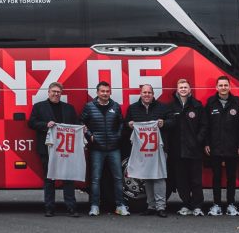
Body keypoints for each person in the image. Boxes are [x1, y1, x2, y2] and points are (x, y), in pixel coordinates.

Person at [27, 82, 80, 217]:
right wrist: (46, 124)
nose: (56, 94)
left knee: (68, 179)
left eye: (58, 92)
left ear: (61, 93)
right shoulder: (39, 107)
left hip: (65, 149)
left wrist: (82, 128)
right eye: (54, 91)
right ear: (48, 92)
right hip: (47, 148)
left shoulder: (69, 108)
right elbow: (31, 123)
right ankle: (49, 208)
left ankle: (71, 207)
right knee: (49, 179)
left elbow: (76, 124)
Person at [80, 81, 129, 216]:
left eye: (107, 91)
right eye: (102, 91)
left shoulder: (115, 106)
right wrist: (89, 135)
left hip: (114, 148)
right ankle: (95, 206)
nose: (105, 93)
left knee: (118, 178)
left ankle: (120, 205)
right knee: (95, 178)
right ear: (97, 92)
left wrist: (117, 136)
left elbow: (121, 123)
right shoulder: (89, 107)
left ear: (110, 92)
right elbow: (81, 122)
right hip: (97, 148)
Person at [124, 84, 171, 218]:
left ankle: (161, 207)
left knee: (159, 177)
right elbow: (125, 123)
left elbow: (173, 121)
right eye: (144, 92)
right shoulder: (133, 108)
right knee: (147, 178)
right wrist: (129, 125)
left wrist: (164, 123)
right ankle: (151, 206)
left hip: (160, 149)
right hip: (142, 151)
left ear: (153, 94)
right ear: (140, 93)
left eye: (149, 92)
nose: (147, 95)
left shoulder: (162, 107)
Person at [203, 76, 239, 216]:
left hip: (232, 148)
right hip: (215, 148)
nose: (223, 88)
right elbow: (205, 126)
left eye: (225, 85)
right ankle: (216, 205)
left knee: (231, 178)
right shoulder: (210, 103)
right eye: (220, 85)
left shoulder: (236, 104)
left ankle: (231, 204)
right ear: (216, 87)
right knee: (216, 178)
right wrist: (206, 143)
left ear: (229, 87)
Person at [165, 78, 206, 216]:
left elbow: (204, 126)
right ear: (177, 90)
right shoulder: (171, 107)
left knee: (196, 180)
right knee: (182, 180)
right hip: (178, 151)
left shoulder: (197, 105)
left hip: (194, 151)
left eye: (185, 87)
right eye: (181, 87)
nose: (183, 89)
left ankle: (198, 206)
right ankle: (186, 205)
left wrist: (198, 141)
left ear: (190, 90)